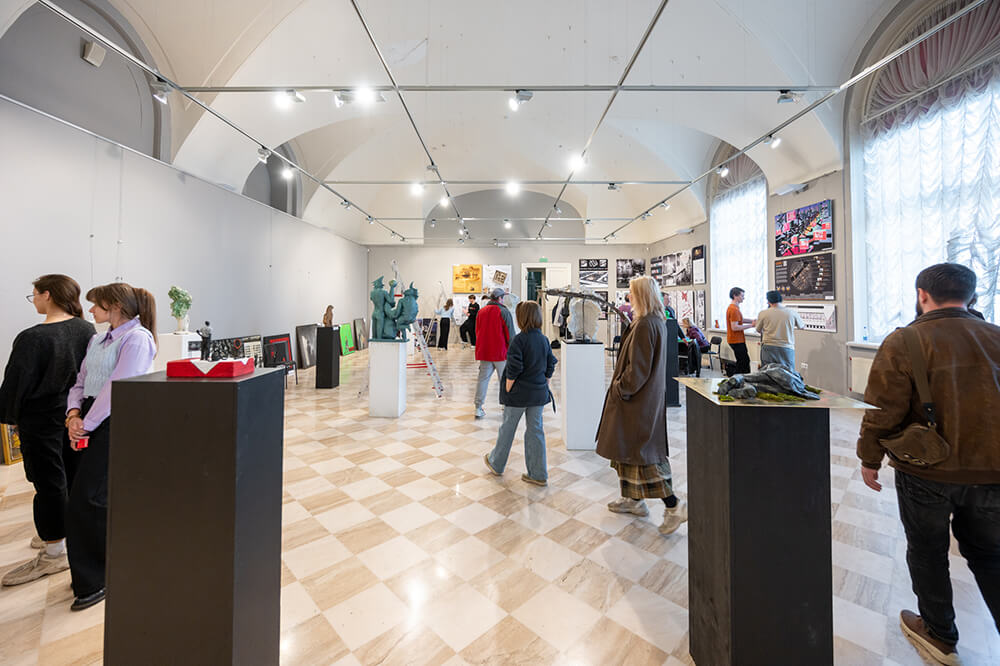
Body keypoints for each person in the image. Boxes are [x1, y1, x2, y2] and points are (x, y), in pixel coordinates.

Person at [857, 263, 1000, 665]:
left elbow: (883, 410)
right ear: (971, 295)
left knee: (927, 551)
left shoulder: (905, 340)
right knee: (991, 555)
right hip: (992, 469)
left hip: (925, 469)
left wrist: (870, 457)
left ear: (922, 294)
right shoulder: (995, 336)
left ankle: (939, 634)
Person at [64, 283, 157, 611]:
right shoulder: (97, 340)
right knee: (89, 498)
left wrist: (86, 423)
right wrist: (73, 413)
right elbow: (80, 381)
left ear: (115, 306)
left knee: (87, 502)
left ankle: (95, 579)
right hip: (90, 418)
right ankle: (93, 570)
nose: (90, 310)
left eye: (96, 305)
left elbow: (117, 389)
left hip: (113, 421)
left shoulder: (138, 339)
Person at [0, 275, 95, 586]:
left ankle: (54, 552)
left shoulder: (33, 338)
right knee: (70, 476)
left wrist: (9, 415)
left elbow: (16, 383)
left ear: (48, 295)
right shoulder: (85, 329)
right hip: (74, 415)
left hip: (40, 420)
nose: (35, 301)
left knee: (47, 482)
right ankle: (63, 536)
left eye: (34, 295)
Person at [596, 276, 687, 535]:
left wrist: (620, 388)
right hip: (641, 400)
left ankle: (673, 506)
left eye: (632, 292)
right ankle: (633, 499)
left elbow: (638, 370)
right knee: (627, 451)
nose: (629, 296)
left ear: (642, 295)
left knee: (644, 455)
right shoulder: (653, 321)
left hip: (636, 401)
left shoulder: (647, 324)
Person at [483, 301, 557, 485]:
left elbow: (514, 368)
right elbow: (551, 363)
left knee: (507, 428)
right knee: (535, 431)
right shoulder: (544, 339)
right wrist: (545, 382)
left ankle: (496, 463)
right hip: (537, 394)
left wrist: (508, 387)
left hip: (518, 394)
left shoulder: (519, 340)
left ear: (521, 318)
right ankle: (538, 474)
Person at [473, 288, 515, 419]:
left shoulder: (481, 311)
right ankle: (506, 405)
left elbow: (477, 331)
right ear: (500, 298)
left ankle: (478, 407)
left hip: (485, 352)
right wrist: (513, 351)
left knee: (483, 380)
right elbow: (510, 334)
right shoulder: (504, 311)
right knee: (505, 380)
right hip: (500, 353)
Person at [755, 291, 804, 371]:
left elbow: (758, 330)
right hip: (786, 348)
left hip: (768, 347)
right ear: (781, 299)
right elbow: (802, 326)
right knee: (788, 372)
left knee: (767, 372)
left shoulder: (763, 313)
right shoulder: (792, 312)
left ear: (768, 301)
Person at [726, 287, 755, 374]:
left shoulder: (734, 308)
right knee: (744, 362)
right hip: (736, 340)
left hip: (735, 339)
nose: (743, 298)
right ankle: (740, 379)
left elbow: (740, 320)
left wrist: (752, 321)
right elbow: (734, 327)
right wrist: (751, 325)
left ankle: (739, 378)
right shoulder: (734, 309)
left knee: (742, 361)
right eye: (742, 296)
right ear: (735, 296)